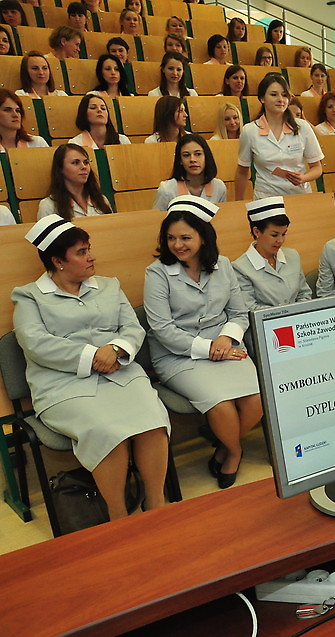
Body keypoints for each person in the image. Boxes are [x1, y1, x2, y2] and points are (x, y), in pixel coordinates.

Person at [13, 216, 171, 520]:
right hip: (63, 385)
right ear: (58, 261)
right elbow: (35, 343)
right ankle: (118, 516)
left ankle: (156, 506)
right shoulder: (28, 296)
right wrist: (93, 356)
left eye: (89, 249)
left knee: (152, 421)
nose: (91, 257)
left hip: (121, 374)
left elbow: (132, 328)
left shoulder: (109, 286)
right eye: (82, 252)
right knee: (106, 431)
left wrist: (115, 350)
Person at [144, 195, 262, 489]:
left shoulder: (223, 265)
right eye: (171, 238)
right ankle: (233, 452)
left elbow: (239, 313)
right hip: (178, 355)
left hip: (226, 345)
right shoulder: (157, 273)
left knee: (258, 398)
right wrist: (208, 349)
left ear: (203, 237)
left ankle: (224, 444)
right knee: (221, 405)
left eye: (185, 237)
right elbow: (162, 329)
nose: (177, 245)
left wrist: (225, 338)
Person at [236, 74, 324, 200]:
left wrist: (303, 178)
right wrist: (239, 202)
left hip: (300, 196)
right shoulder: (249, 131)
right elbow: (242, 171)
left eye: (284, 95)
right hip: (266, 198)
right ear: (262, 98)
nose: (280, 99)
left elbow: (317, 168)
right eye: (274, 95)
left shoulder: (302, 127)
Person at [233, 197, 312, 310]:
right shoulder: (240, 268)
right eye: (274, 235)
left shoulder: (292, 256)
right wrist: (286, 314)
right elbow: (250, 308)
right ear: (257, 231)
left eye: (283, 234)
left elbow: (304, 293)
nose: (280, 240)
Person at [38, 144, 113, 220]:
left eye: (86, 162)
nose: (83, 167)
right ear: (60, 168)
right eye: (75, 163)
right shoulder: (49, 206)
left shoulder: (102, 200)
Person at [153, 133, 226, 211]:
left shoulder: (219, 187)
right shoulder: (166, 190)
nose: (192, 159)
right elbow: (157, 217)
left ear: (206, 157)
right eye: (186, 155)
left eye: (198, 154)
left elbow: (223, 217)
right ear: (180, 160)